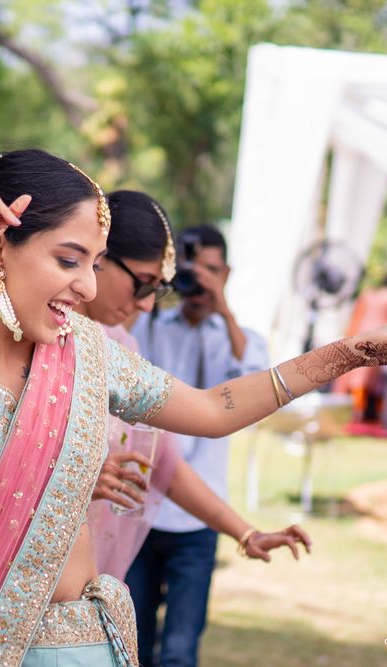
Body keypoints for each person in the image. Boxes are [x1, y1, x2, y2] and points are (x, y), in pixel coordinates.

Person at [0, 149, 387, 665]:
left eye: (94, 264)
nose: (88, 287)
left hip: (87, 648)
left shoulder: (86, 354)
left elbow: (213, 409)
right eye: (69, 260)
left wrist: (350, 353)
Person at [82, 192, 310, 585]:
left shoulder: (121, 346)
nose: (148, 305)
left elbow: (169, 453)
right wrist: (76, 478)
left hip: (96, 554)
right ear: (98, 256)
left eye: (160, 288)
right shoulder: (47, 335)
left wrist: (245, 531)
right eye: (143, 285)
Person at [128, 224, 267, 666]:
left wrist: (222, 309)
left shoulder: (238, 336)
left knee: (181, 648)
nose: (200, 280)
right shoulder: (149, 323)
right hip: (139, 508)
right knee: (132, 639)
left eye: (210, 270)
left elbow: (256, 379)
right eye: (192, 270)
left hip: (198, 516)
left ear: (226, 272)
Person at [335, 275, 387, 422]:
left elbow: (355, 317)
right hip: (381, 337)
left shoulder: (369, 295)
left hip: (361, 334)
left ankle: (353, 411)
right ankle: (369, 414)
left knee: (357, 375)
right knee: (375, 380)